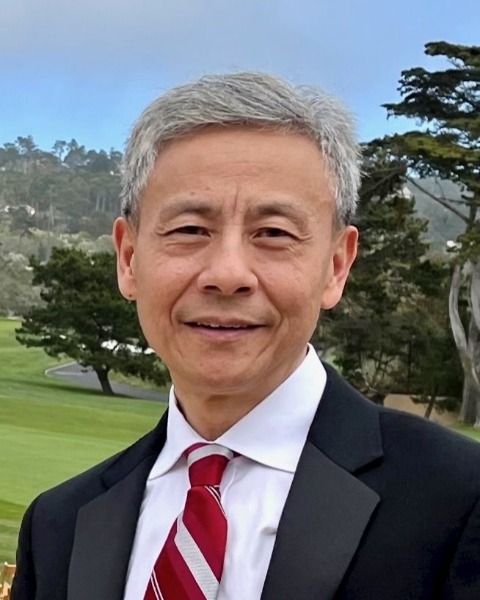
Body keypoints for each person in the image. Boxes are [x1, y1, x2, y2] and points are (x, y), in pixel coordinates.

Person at [11, 72, 480, 600]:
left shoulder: (460, 501)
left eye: (273, 234)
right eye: (190, 229)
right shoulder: (59, 527)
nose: (228, 274)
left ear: (336, 266)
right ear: (128, 258)